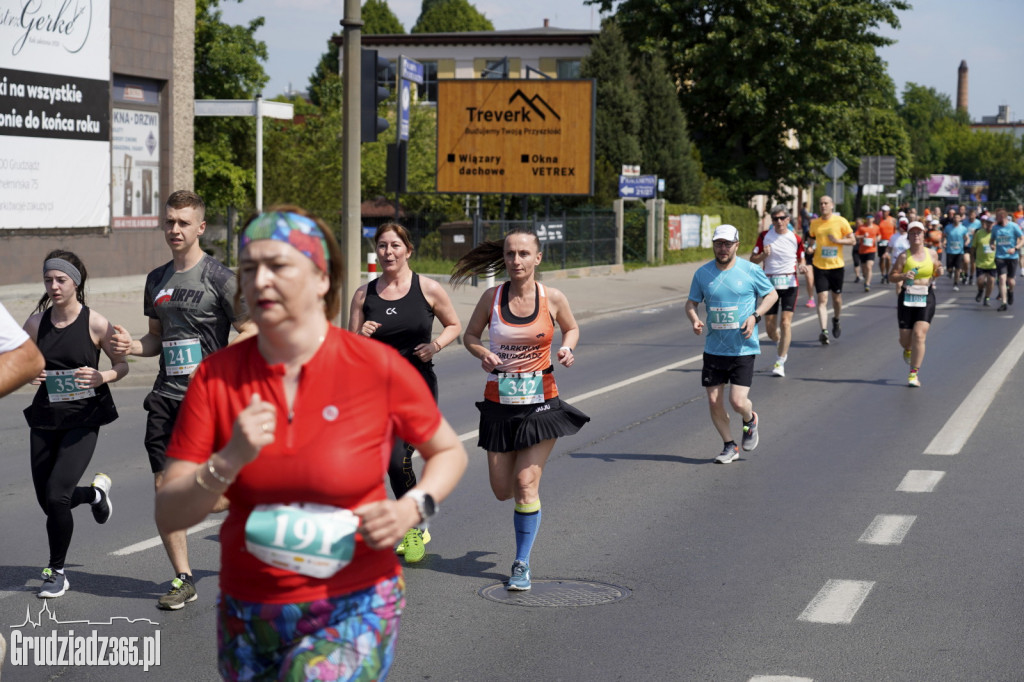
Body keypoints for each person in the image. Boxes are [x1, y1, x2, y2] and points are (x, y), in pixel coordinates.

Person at [155, 206, 468, 680]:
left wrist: (413, 509)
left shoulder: (375, 367)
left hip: (354, 603)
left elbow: (448, 451)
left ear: (322, 279)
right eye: (249, 268)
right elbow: (170, 511)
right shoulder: (218, 377)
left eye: (279, 266)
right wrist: (230, 458)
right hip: (252, 609)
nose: (260, 281)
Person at [126, 189, 255, 610]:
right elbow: (156, 339)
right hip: (165, 398)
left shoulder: (221, 278)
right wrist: (132, 346)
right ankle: (184, 577)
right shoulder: (156, 279)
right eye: (169, 221)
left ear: (200, 227)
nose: (175, 229)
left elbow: (250, 332)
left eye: (183, 222)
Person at [453, 227, 589, 591]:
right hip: (499, 405)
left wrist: (567, 348)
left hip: (541, 403)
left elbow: (571, 328)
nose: (516, 260)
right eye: (511, 254)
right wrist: (481, 351)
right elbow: (469, 336)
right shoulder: (491, 297)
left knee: (525, 482)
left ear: (537, 258)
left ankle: (521, 562)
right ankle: (525, 506)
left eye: (524, 254)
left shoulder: (552, 298)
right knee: (502, 489)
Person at [348, 223, 462, 563]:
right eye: (383, 246)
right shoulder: (363, 294)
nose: (388, 252)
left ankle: (412, 525)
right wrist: (361, 335)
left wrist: (436, 345)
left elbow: (454, 324)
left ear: (408, 250)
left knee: (398, 461)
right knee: (384, 462)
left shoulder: (427, 289)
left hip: (416, 390)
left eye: (395, 245)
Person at [21, 251, 131, 598]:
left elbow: (123, 365)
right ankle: (96, 494)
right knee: (49, 501)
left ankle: (57, 572)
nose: (53, 286)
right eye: (48, 280)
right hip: (45, 417)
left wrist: (103, 376)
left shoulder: (96, 323)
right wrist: (27, 372)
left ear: (76, 283)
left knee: (57, 497)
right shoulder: (37, 323)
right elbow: (15, 361)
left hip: (83, 418)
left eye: (61, 280)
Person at [685, 224, 778, 463]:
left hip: (742, 347)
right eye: (718, 244)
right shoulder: (703, 274)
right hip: (714, 349)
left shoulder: (750, 270)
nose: (723, 248)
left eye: (727, 244)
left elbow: (772, 295)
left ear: (737, 245)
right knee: (714, 400)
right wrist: (695, 319)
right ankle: (729, 446)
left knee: (737, 402)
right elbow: (691, 303)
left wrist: (755, 316)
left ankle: (750, 420)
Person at [750, 205, 805, 377]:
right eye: (775, 219)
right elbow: (753, 260)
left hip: (789, 283)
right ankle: (781, 342)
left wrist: (802, 265)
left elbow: (801, 256)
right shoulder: (765, 236)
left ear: (788, 219)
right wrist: (763, 256)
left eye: (782, 218)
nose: (779, 221)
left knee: (786, 322)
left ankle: (780, 361)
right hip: (769, 285)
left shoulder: (795, 238)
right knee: (771, 328)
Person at [889, 222, 943, 387]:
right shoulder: (904, 256)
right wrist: (904, 275)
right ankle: (908, 349)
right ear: (909, 236)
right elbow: (892, 276)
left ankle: (913, 374)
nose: (916, 236)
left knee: (919, 334)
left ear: (923, 234)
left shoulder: (932, 254)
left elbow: (937, 268)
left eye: (919, 233)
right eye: (913, 233)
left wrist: (939, 270)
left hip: (926, 296)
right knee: (905, 340)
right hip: (907, 296)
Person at [808, 195, 855, 345]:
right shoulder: (814, 223)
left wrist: (838, 241)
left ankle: (836, 319)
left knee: (836, 299)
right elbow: (811, 239)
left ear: (832, 205)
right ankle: (824, 331)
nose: (823, 206)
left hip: (836, 266)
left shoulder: (841, 221)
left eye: (826, 203)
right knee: (822, 299)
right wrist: (810, 247)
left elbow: (852, 240)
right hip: (820, 265)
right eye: (821, 203)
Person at [0, 301, 44, 398]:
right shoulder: (34, 323)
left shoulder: (85, 320)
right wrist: (31, 375)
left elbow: (28, 359)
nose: (54, 286)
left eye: (62, 283)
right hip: (47, 407)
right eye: (48, 283)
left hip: (83, 408)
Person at [991, 208, 1024, 311]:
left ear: (1003, 217)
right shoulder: (995, 228)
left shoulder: (1013, 226)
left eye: (997, 217)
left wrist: (1015, 248)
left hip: (1012, 257)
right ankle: (1004, 302)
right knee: (1001, 279)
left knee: (1011, 281)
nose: (996, 219)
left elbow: (1023, 239)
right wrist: (992, 245)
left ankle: (1011, 292)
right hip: (1000, 256)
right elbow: (992, 240)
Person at [972, 213, 997, 306]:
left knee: (991, 281)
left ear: (994, 224)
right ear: (985, 223)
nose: (990, 225)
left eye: (992, 223)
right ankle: (980, 291)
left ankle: (987, 298)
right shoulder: (979, 233)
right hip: (980, 262)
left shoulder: (997, 234)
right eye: (988, 223)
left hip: (992, 263)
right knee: (980, 280)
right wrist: (972, 258)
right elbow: (973, 246)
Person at [941, 211, 969, 291]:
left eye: (958, 217)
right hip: (950, 251)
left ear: (960, 219)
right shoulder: (948, 227)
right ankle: (950, 272)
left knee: (958, 268)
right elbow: (945, 237)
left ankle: (955, 283)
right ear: (953, 218)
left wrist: (967, 241)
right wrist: (944, 242)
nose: (956, 219)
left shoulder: (963, 228)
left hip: (959, 251)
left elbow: (967, 237)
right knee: (949, 269)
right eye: (955, 217)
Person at [855, 214, 880, 291]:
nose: (869, 220)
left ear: (873, 219)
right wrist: (862, 236)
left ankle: (867, 284)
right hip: (862, 250)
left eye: (870, 218)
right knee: (864, 268)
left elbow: (879, 235)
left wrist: (877, 240)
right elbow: (856, 236)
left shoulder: (876, 227)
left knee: (869, 266)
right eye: (867, 219)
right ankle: (865, 277)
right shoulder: (861, 227)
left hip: (871, 250)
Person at [877, 206, 896, 284]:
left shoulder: (892, 220)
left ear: (888, 212)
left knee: (888, 258)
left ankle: (887, 273)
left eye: (886, 211)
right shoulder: (879, 220)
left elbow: (895, 230)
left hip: (889, 241)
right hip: (881, 241)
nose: (884, 212)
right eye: (883, 211)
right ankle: (882, 274)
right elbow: (877, 229)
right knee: (881, 258)